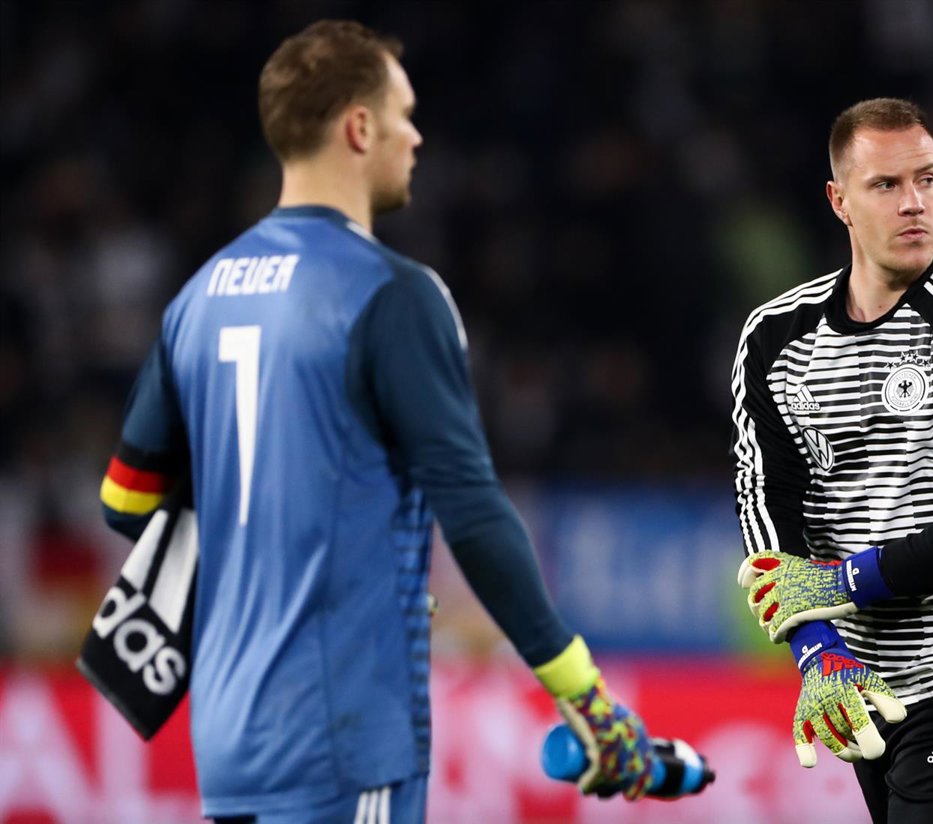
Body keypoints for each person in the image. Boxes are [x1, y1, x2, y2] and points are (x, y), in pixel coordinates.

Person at [99, 20, 655, 823]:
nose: (417, 136)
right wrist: (582, 691)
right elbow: (473, 511)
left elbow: (125, 502)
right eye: (405, 114)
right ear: (359, 128)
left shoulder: (197, 297)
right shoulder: (391, 294)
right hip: (346, 737)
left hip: (227, 744)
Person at [730, 98, 933, 823]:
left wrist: (848, 581)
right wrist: (816, 646)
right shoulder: (774, 338)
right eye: (886, 184)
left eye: (928, 179)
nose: (914, 203)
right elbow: (765, 502)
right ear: (839, 201)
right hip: (861, 686)